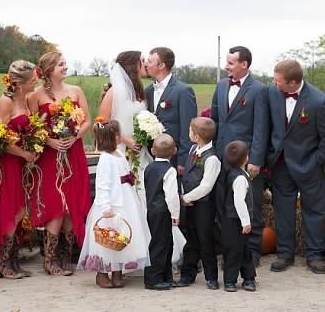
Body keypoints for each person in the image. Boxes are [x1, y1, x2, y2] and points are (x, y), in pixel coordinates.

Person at [266, 59, 325, 274]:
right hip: (280, 164)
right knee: (283, 210)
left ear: (293, 82)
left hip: (309, 166)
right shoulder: (272, 93)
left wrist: (316, 161)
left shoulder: (319, 101)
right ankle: (285, 253)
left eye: (278, 80)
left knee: (314, 210)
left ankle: (314, 254)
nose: (274, 83)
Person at [28, 51, 91, 276]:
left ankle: (66, 255)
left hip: (73, 153)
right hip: (49, 156)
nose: (65, 67)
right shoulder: (35, 96)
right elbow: (33, 128)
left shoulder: (76, 91)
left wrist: (74, 136)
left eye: (65, 63)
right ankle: (50, 257)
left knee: (71, 201)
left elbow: (87, 121)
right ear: (48, 70)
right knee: (55, 202)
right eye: (60, 65)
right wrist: (50, 141)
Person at [0, 60, 38, 278]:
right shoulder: (6, 102)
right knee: (10, 211)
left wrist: (34, 148)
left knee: (22, 210)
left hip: (26, 164)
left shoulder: (28, 100)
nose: (36, 81)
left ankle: (13, 259)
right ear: (21, 83)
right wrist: (23, 153)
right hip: (9, 163)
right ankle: (2, 263)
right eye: (33, 79)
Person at [211, 46, 269, 265]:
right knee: (224, 207)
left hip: (246, 159)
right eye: (227, 62)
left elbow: (261, 127)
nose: (226, 66)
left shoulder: (259, 90)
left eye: (231, 63)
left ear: (244, 64)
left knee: (248, 204)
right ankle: (229, 252)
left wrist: (255, 160)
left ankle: (251, 253)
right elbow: (215, 121)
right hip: (221, 156)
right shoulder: (221, 86)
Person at [77, 119, 151, 288]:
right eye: (118, 134)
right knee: (107, 236)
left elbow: (125, 173)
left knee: (121, 235)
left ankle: (118, 271)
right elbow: (102, 185)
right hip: (112, 203)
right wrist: (106, 207)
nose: (120, 137)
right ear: (111, 138)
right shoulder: (106, 159)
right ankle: (102, 273)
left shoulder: (119, 153)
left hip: (126, 200)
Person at [98, 51, 153, 208]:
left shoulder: (139, 91)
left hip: (139, 150)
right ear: (133, 66)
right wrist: (123, 139)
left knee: (141, 190)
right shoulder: (114, 92)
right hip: (120, 149)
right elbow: (101, 124)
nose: (146, 63)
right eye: (142, 61)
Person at [176, 117, 220, 289]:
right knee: (190, 238)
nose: (188, 134)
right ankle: (188, 274)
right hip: (190, 206)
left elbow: (206, 186)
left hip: (204, 206)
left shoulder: (212, 159)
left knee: (205, 239)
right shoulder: (193, 149)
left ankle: (211, 277)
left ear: (197, 136)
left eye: (189, 131)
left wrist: (186, 198)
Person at [144, 47, 197, 170]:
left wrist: (183, 160)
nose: (146, 64)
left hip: (173, 157)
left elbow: (187, 128)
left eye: (150, 61)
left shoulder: (183, 91)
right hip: (151, 156)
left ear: (161, 65)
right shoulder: (148, 90)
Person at [143, 134, 180, 291]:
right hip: (163, 211)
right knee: (160, 244)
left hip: (152, 210)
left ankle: (166, 275)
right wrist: (175, 215)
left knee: (165, 243)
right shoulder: (169, 171)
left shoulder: (149, 168)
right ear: (175, 151)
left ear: (152, 150)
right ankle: (153, 278)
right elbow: (171, 196)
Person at [220, 141, 256, 292]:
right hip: (237, 220)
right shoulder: (240, 178)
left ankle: (249, 278)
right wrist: (246, 221)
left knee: (245, 249)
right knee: (234, 250)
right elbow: (239, 201)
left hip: (232, 219)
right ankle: (230, 280)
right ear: (246, 158)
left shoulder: (233, 173)